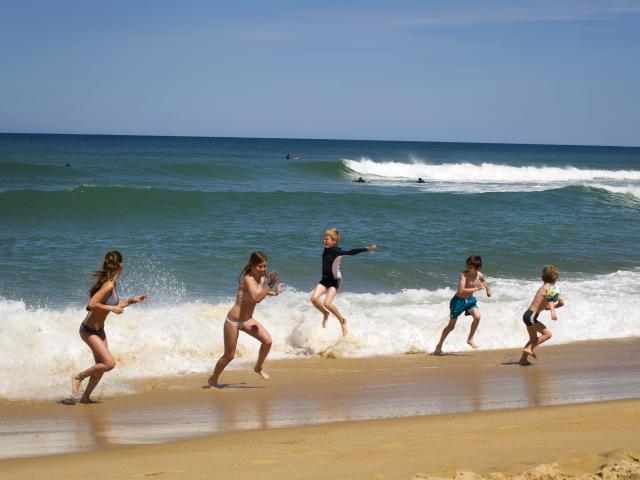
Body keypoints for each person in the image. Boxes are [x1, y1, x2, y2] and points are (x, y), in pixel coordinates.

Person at [72, 251, 147, 403]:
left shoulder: (112, 284)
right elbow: (91, 305)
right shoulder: (108, 285)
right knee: (109, 363)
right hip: (88, 330)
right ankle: (77, 377)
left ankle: (85, 397)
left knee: (101, 366)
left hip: (99, 330)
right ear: (121, 265)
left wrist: (132, 300)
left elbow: (114, 303)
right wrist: (111, 309)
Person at [208, 251, 285, 388]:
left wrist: (275, 293)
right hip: (233, 321)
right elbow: (256, 297)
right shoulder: (247, 279)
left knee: (267, 341)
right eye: (259, 267)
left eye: (264, 266)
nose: (262, 269)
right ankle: (213, 379)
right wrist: (271, 284)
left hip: (247, 320)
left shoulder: (261, 279)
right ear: (251, 265)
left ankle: (258, 367)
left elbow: (258, 294)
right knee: (229, 356)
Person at [310, 228, 377, 336]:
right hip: (324, 279)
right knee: (313, 299)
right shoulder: (326, 247)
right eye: (324, 239)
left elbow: (351, 252)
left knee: (327, 303)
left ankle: (342, 320)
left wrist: (366, 249)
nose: (324, 241)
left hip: (335, 281)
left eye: (326, 239)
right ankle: (325, 314)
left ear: (334, 241)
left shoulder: (337, 252)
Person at [434, 256, 492, 355]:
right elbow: (461, 290)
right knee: (451, 327)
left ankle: (470, 339)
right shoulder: (464, 275)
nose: (467, 268)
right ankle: (439, 346)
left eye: (470, 267)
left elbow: (484, 282)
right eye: (467, 265)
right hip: (458, 301)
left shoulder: (479, 275)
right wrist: (477, 289)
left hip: (469, 300)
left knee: (477, 317)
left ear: (477, 268)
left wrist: (488, 290)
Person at [519, 265, 565, 365]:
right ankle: (528, 348)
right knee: (548, 334)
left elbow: (545, 306)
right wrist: (553, 312)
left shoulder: (543, 288)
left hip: (528, 315)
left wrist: (557, 306)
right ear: (555, 278)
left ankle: (523, 359)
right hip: (531, 316)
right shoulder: (549, 289)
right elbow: (550, 302)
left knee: (533, 339)